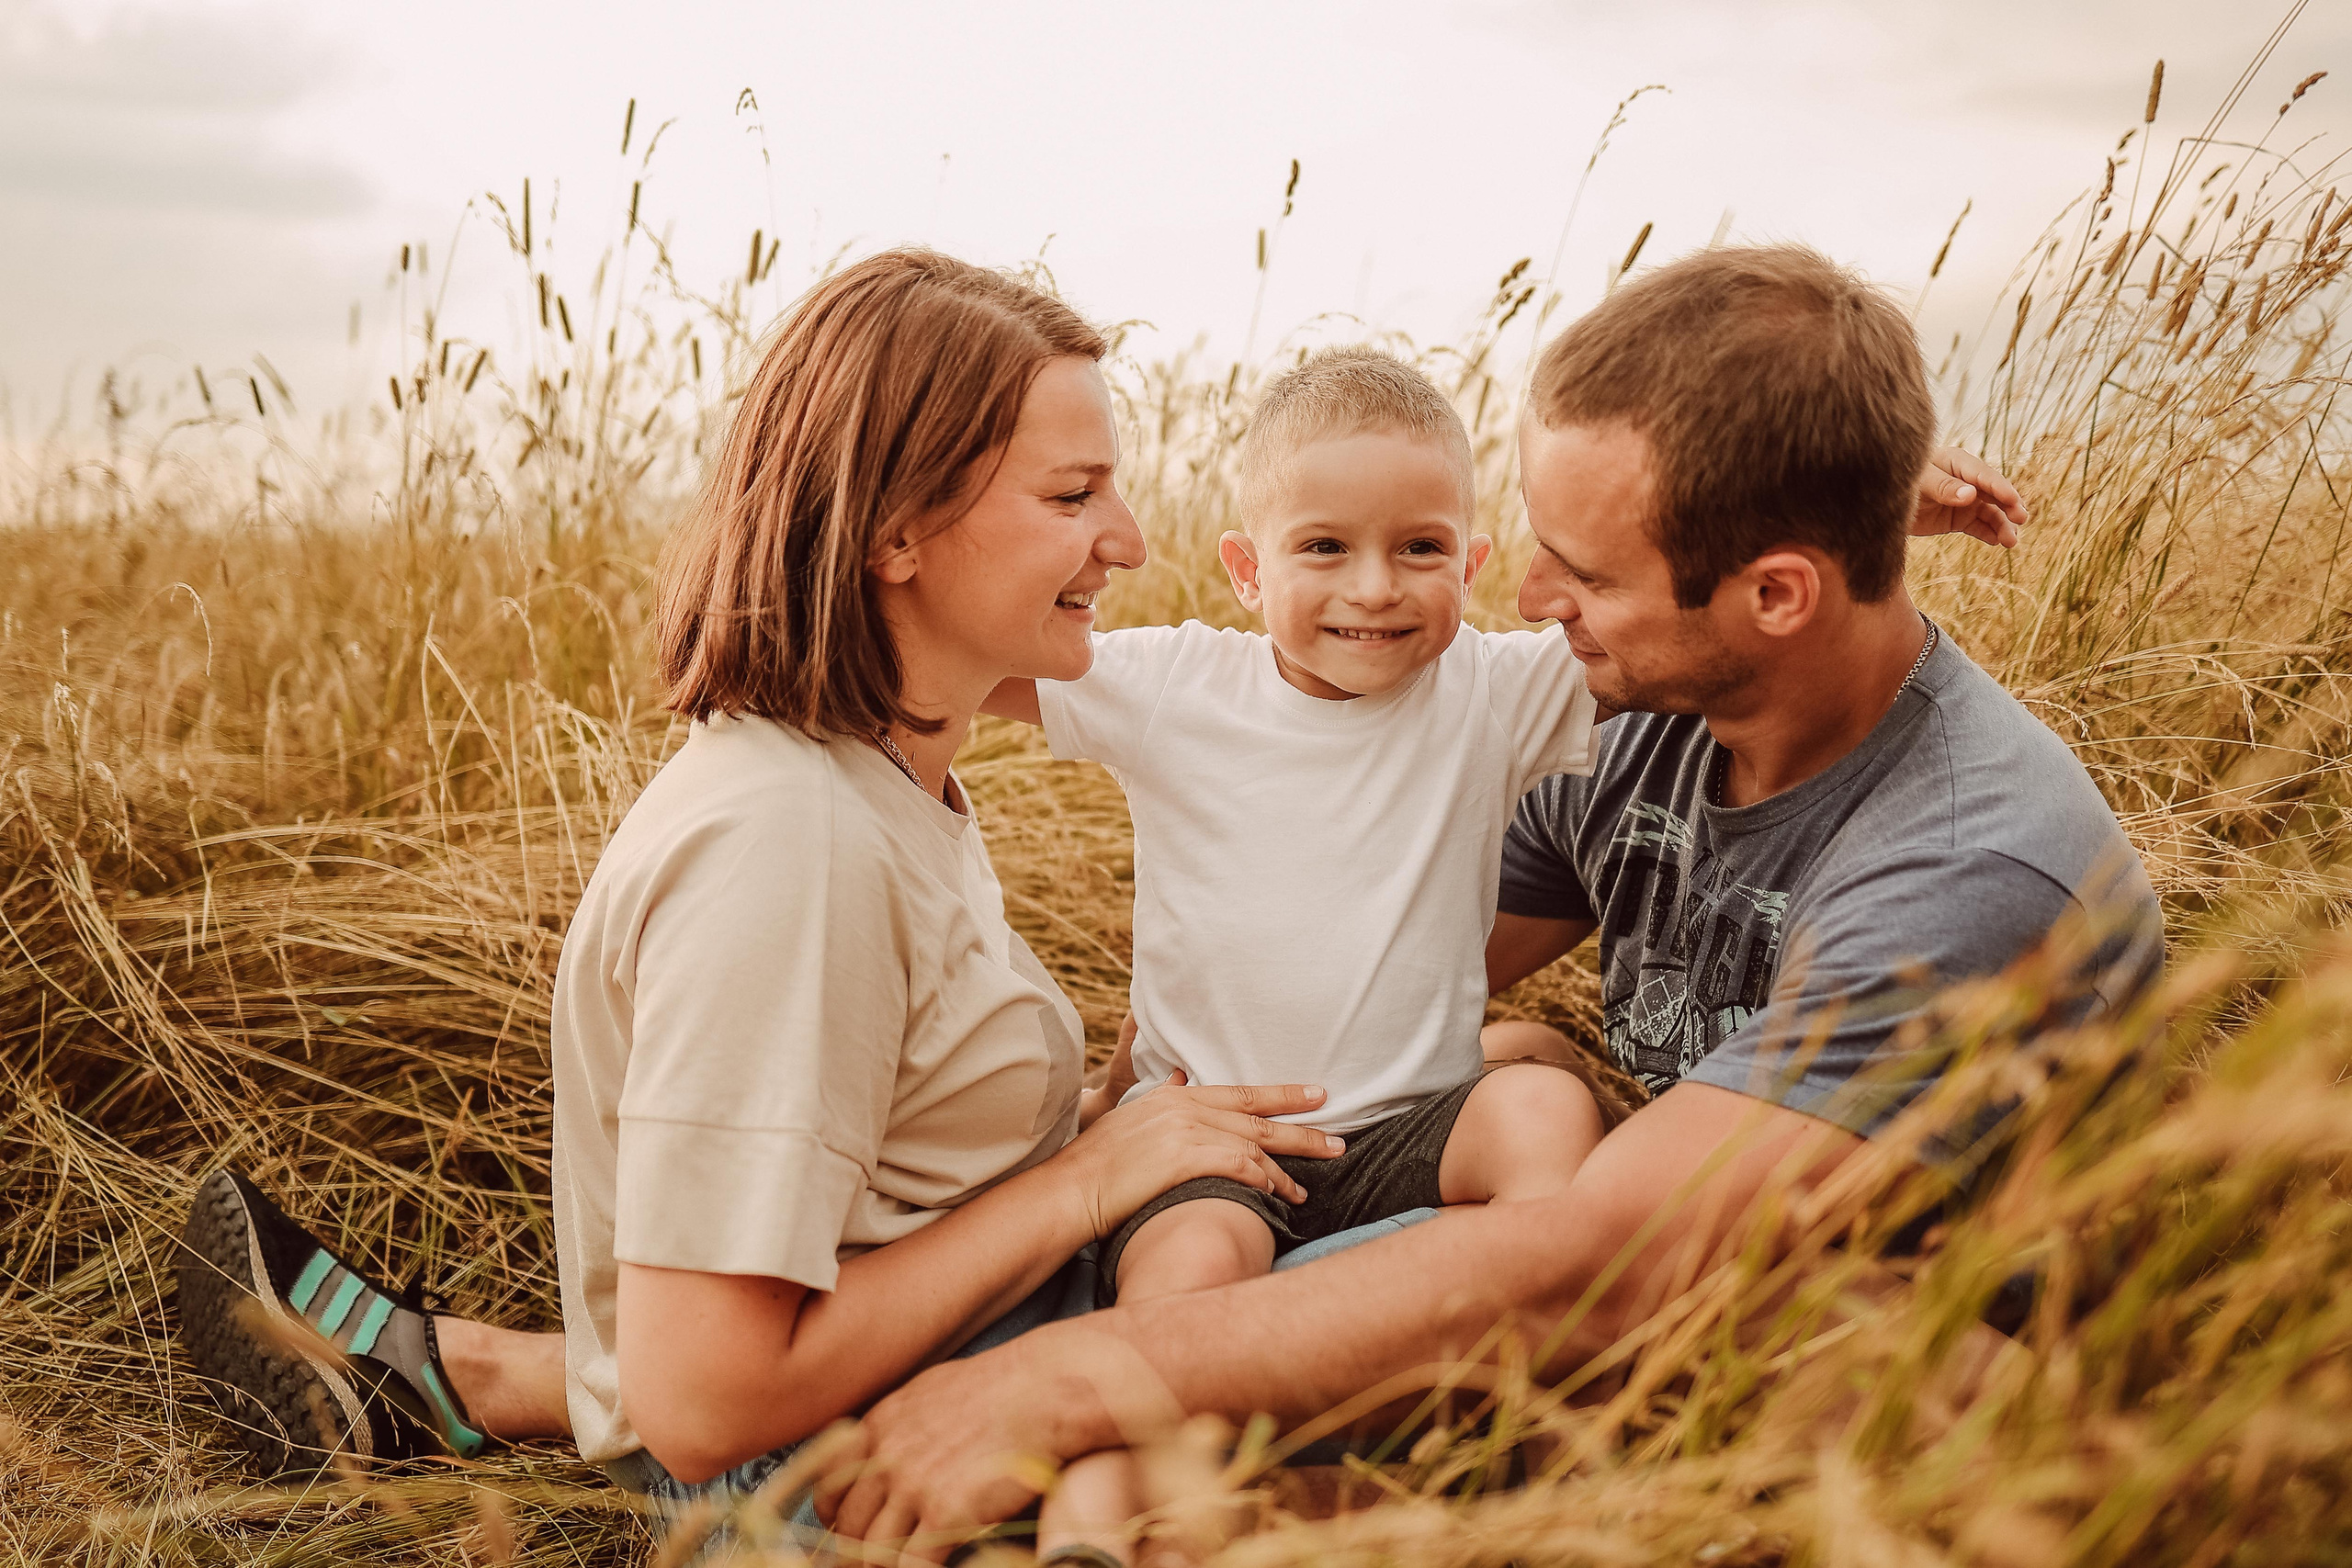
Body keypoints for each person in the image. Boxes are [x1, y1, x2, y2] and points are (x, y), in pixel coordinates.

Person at [169, 243, 2032, 1545]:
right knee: (1551, 1304)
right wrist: (1090, 1174)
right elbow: (714, 1395)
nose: (1127, 544)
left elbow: (1393, 902)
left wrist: (1842, 487)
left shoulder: (886, 779)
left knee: (1514, 1103)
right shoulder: (791, 838)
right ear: (898, 535)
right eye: (1076, 498)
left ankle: (460, 1372)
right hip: (831, 1441)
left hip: (1051, 1255)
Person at [807, 243, 2163, 1555]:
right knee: (1513, 1063)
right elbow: (1384, 932)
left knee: (1849, 1344)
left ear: (1775, 593)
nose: (1529, 596)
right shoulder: (1661, 715)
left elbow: (1608, 1266)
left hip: (1851, 1385)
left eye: (1589, 572)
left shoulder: (1965, 867)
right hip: (1588, 1288)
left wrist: (1062, 1380)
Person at [989, 348, 1612, 1564]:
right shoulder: (1174, 685)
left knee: (1542, 1101)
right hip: (1213, 1136)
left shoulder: (1492, 690)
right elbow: (956, 652)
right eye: (1323, 547)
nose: (1374, 589)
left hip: (1411, 1131)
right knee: (1186, 1275)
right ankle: (1096, 1526)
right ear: (1247, 568)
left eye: (1421, 548)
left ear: (1472, 565)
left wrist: (1853, 498)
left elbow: (1692, 609)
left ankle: (1555, 1414)